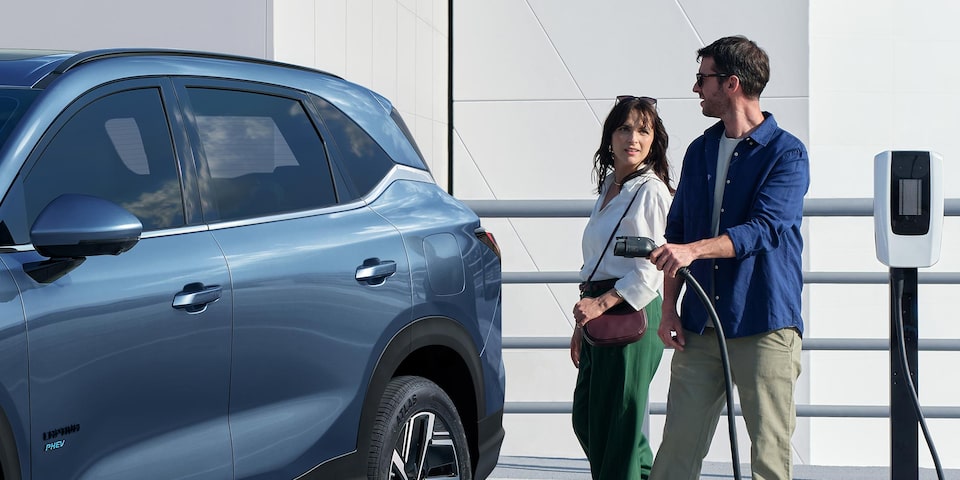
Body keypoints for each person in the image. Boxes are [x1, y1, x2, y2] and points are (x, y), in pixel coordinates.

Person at [647, 35, 809, 480]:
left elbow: (765, 229)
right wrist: (668, 308)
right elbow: (677, 235)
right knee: (675, 453)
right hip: (698, 326)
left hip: (764, 325)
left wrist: (694, 250)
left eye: (703, 79)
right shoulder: (700, 150)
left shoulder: (787, 153)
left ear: (731, 83)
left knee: (769, 460)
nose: (696, 88)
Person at [570, 95, 673, 480]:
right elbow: (596, 262)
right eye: (625, 128)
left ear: (653, 140)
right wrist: (583, 321)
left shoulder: (650, 191)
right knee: (588, 419)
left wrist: (600, 305)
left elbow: (651, 268)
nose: (633, 138)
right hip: (600, 311)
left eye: (643, 131)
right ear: (610, 137)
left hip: (631, 311)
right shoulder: (611, 187)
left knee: (619, 428)